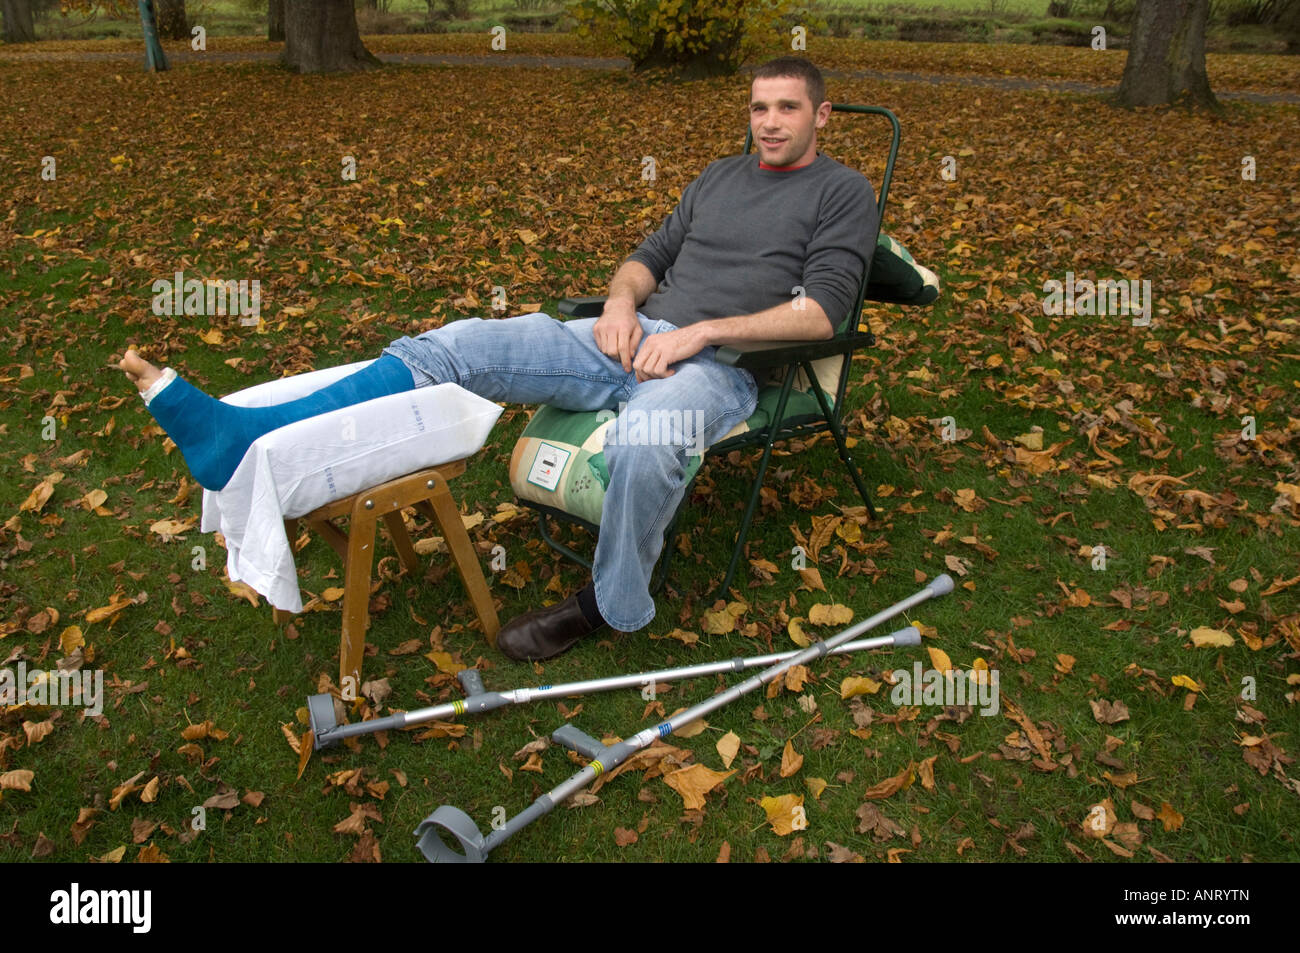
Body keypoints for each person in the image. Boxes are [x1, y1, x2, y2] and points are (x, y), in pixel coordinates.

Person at [120, 56, 877, 662]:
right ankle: (250, 432)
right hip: (628, 336)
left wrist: (702, 334)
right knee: (458, 342)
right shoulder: (719, 175)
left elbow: (822, 310)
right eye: (758, 107)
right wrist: (619, 304)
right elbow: (646, 259)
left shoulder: (842, 193)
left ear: (821, 115)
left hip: (720, 367)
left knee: (647, 444)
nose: (769, 122)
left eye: (786, 108)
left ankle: (609, 607)